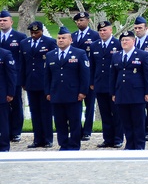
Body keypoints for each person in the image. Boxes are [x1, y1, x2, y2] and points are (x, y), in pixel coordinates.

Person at [44, 26, 90, 151]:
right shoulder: (50, 55)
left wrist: (83, 92)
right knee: (60, 121)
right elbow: (47, 76)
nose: (60, 40)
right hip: (56, 94)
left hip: (73, 94)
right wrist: (47, 92)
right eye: (59, 38)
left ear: (70, 40)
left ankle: (74, 144)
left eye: (63, 38)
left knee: (74, 121)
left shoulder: (79, 54)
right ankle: (63, 144)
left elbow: (85, 75)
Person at [112, 30, 148, 150]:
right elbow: (113, 76)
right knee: (126, 121)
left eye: (127, 40)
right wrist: (113, 92)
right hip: (121, 93)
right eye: (122, 40)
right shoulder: (116, 56)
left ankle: (139, 145)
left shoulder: (142, 55)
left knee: (138, 121)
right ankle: (130, 144)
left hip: (137, 93)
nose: (124, 42)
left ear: (133, 41)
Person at [89, 20, 123, 148]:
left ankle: (118, 138)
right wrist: (92, 82)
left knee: (117, 113)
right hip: (100, 84)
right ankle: (108, 138)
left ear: (111, 30)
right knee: (105, 113)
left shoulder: (118, 44)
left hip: (114, 85)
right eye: (100, 31)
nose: (102, 32)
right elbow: (92, 66)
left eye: (105, 30)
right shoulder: (94, 45)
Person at [22, 20, 56, 148]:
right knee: (35, 112)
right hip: (31, 82)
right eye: (32, 32)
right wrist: (23, 81)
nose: (34, 35)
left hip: (45, 82)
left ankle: (47, 139)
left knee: (46, 112)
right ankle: (37, 139)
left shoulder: (49, 42)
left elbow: (53, 63)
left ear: (41, 31)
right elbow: (23, 63)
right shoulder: (24, 43)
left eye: (37, 32)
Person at [70, 11, 99, 141]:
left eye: (81, 20)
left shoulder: (95, 35)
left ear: (88, 20)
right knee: (75, 105)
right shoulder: (72, 36)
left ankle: (87, 130)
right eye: (77, 21)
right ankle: (77, 130)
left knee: (89, 105)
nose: (79, 22)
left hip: (89, 75)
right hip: (75, 76)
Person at [0, 10, 26, 143]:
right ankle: (4, 131)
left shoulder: (20, 37)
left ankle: (16, 132)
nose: (2, 22)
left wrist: (22, 78)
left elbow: (23, 58)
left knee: (15, 105)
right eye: (0, 20)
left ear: (11, 21)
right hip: (1, 78)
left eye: (5, 20)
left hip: (13, 77)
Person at [133, 17, 148, 142]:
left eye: (140, 28)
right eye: (136, 28)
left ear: (146, 28)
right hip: (136, 81)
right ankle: (141, 130)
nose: (137, 30)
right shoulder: (132, 43)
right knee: (138, 107)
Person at [0, 41, 15, 151]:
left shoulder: (5, 54)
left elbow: (11, 75)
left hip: (2, 93)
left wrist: (10, 93)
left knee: (3, 121)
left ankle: (4, 145)